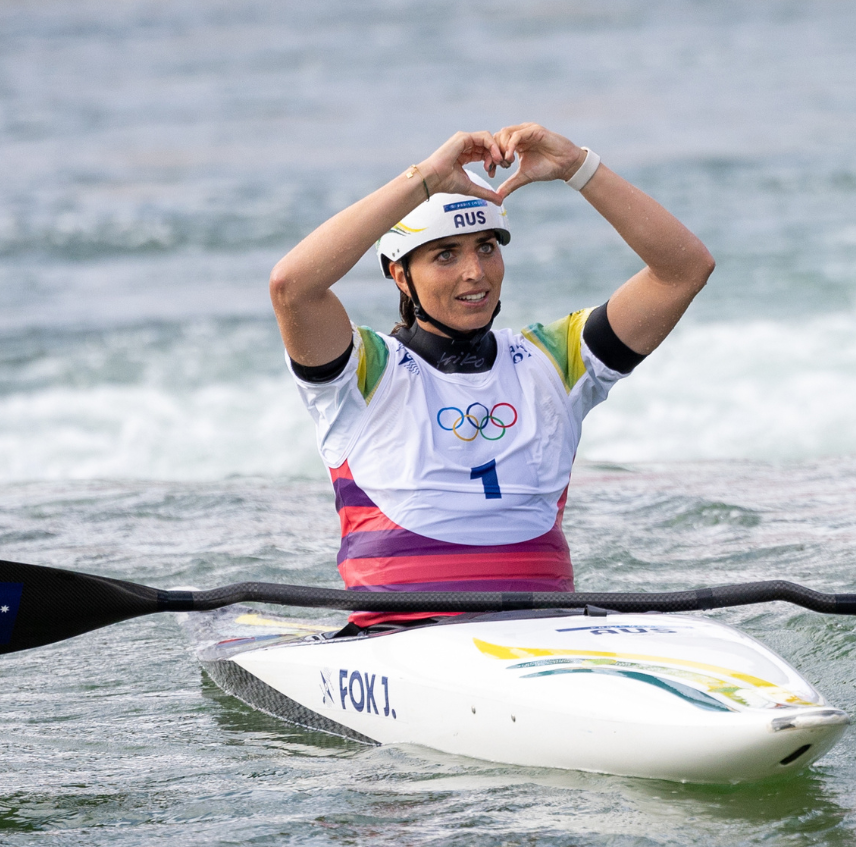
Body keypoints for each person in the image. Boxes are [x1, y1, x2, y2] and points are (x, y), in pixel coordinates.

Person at [268, 123, 714, 630]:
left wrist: (577, 168)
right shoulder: (363, 372)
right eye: (445, 255)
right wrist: (426, 178)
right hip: (400, 639)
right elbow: (292, 287)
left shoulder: (557, 359)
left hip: (547, 630)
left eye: (486, 247)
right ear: (399, 274)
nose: (475, 272)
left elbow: (684, 269)